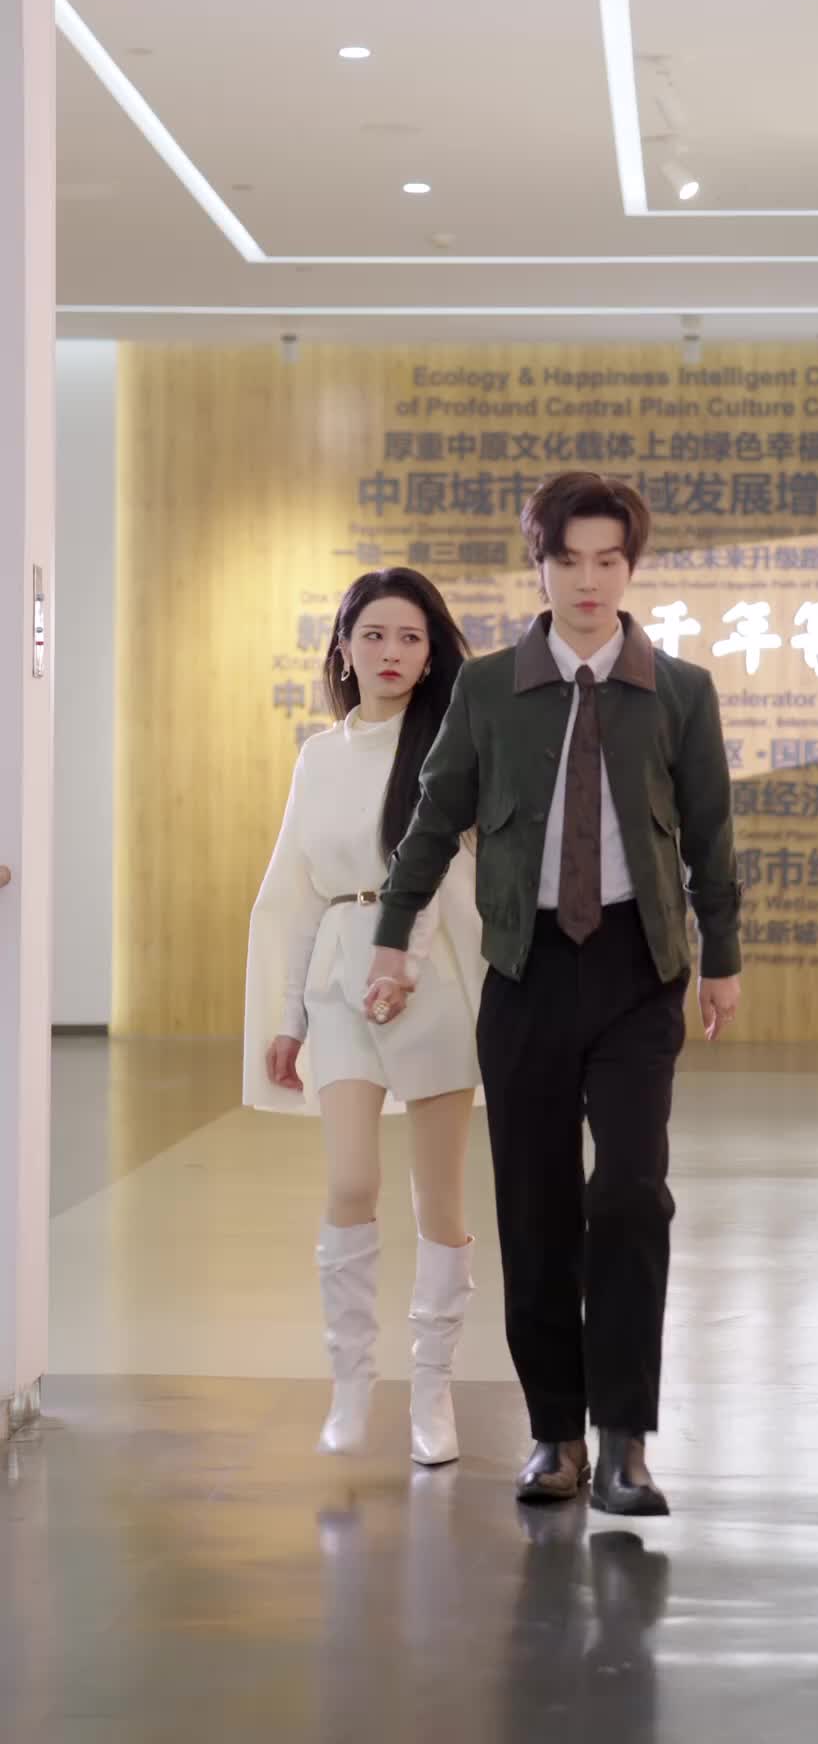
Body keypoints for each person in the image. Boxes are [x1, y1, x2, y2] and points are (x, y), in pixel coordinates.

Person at [364, 473, 742, 1516]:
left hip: (637, 969)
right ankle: (555, 1437)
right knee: (533, 1205)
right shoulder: (489, 690)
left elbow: (711, 835)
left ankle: (625, 1442)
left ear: (631, 567)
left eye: (608, 560)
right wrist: (393, 940)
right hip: (525, 971)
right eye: (567, 559)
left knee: (630, 1192)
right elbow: (432, 823)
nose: (588, 580)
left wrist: (721, 956)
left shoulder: (680, 692)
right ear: (539, 564)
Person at [242, 569, 484, 1466]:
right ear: (343, 646)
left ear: (432, 653)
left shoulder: (455, 744)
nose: (391, 652)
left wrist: (406, 964)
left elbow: (456, 871)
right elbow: (299, 892)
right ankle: (350, 1386)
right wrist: (289, 1019)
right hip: (341, 982)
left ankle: (432, 1392)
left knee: (439, 1197)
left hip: (437, 977)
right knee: (349, 1183)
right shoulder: (319, 756)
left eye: (411, 637)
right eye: (374, 634)